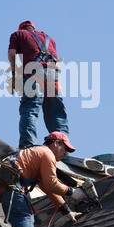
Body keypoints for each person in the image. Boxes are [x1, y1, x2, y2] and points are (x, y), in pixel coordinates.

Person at [8, 20, 69, 150]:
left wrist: (14, 74)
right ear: (33, 28)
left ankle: (27, 146)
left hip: (35, 71)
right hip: (54, 74)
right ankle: (62, 148)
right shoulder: (49, 38)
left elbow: (12, 54)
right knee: (56, 112)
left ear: (22, 29)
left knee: (30, 109)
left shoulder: (18, 34)